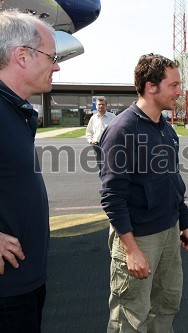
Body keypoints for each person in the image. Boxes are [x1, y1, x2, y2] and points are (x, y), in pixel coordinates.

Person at [99, 53, 188, 333]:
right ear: (150, 86)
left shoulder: (166, 129)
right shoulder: (122, 130)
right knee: (130, 317)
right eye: (174, 85)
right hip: (139, 237)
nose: (179, 92)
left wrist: (185, 223)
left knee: (166, 304)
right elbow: (111, 197)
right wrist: (131, 251)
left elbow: (173, 182)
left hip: (169, 231)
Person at [0, 10, 60, 332]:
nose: (57, 66)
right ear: (22, 56)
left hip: (26, 282)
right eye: (52, 57)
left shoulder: (15, 109)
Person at [85, 96, 115, 172]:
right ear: (96, 106)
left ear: (106, 105)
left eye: (103, 104)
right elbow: (89, 132)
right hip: (96, 145)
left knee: (110, 166)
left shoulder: (113, 117)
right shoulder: (93, 118)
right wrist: (90, 141)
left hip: (109, 146)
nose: (101, 106)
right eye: (99, 104)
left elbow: (117, 131)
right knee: (100, 167)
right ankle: (103, 180)